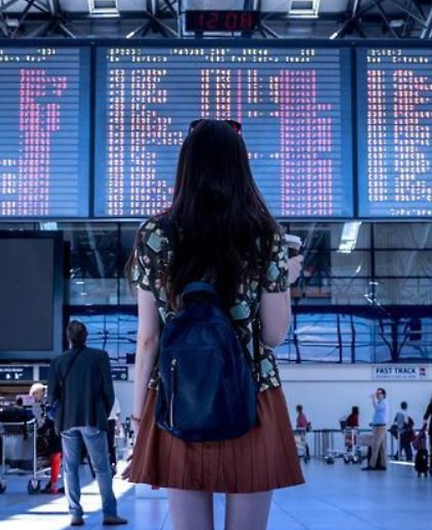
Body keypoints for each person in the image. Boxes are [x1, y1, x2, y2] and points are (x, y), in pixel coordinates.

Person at [124, 119, 305, 530]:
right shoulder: (265, 235)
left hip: (177, 395)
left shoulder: (156, 233)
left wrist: (138, 416)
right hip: (253, 396)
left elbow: (149, 338)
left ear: (186, 167)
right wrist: (284, 281)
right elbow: (275, 335)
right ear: (241, 168)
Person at [47, 321, 127, 527]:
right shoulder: (99, 357)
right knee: (101, 468)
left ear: (68, 337)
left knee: (70, 468)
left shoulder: (58, 361)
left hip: (67, 421)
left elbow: (51, 397)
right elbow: (109, 392)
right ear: (86, 336)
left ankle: (75, 514)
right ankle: (109, 513)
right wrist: (103, 412)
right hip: (93, 418)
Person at [364, 388, 389, 471]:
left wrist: (373, 398)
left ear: (384, 395)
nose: (377, 395)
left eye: (379, 393)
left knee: (375, 445)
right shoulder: (380, 403)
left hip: (381, 427)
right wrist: (373, 423)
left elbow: (376, 407)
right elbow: (380, 416)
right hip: (377, 426)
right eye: (377, 393)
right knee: (381, 447)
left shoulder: (383, 403)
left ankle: (372, 465)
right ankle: (383, 465)